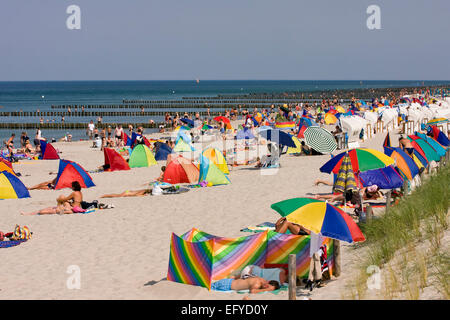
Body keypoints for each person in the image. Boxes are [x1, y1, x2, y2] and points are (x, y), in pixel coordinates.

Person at [211, 276, 279, 293]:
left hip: (228, 281)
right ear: (268, 282)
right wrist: (267, 289)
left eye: (267, 287)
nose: (265, 287)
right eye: (267, 286)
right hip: (226, 285)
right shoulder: (257, 284)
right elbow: (252, 291)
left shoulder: (261, 279)